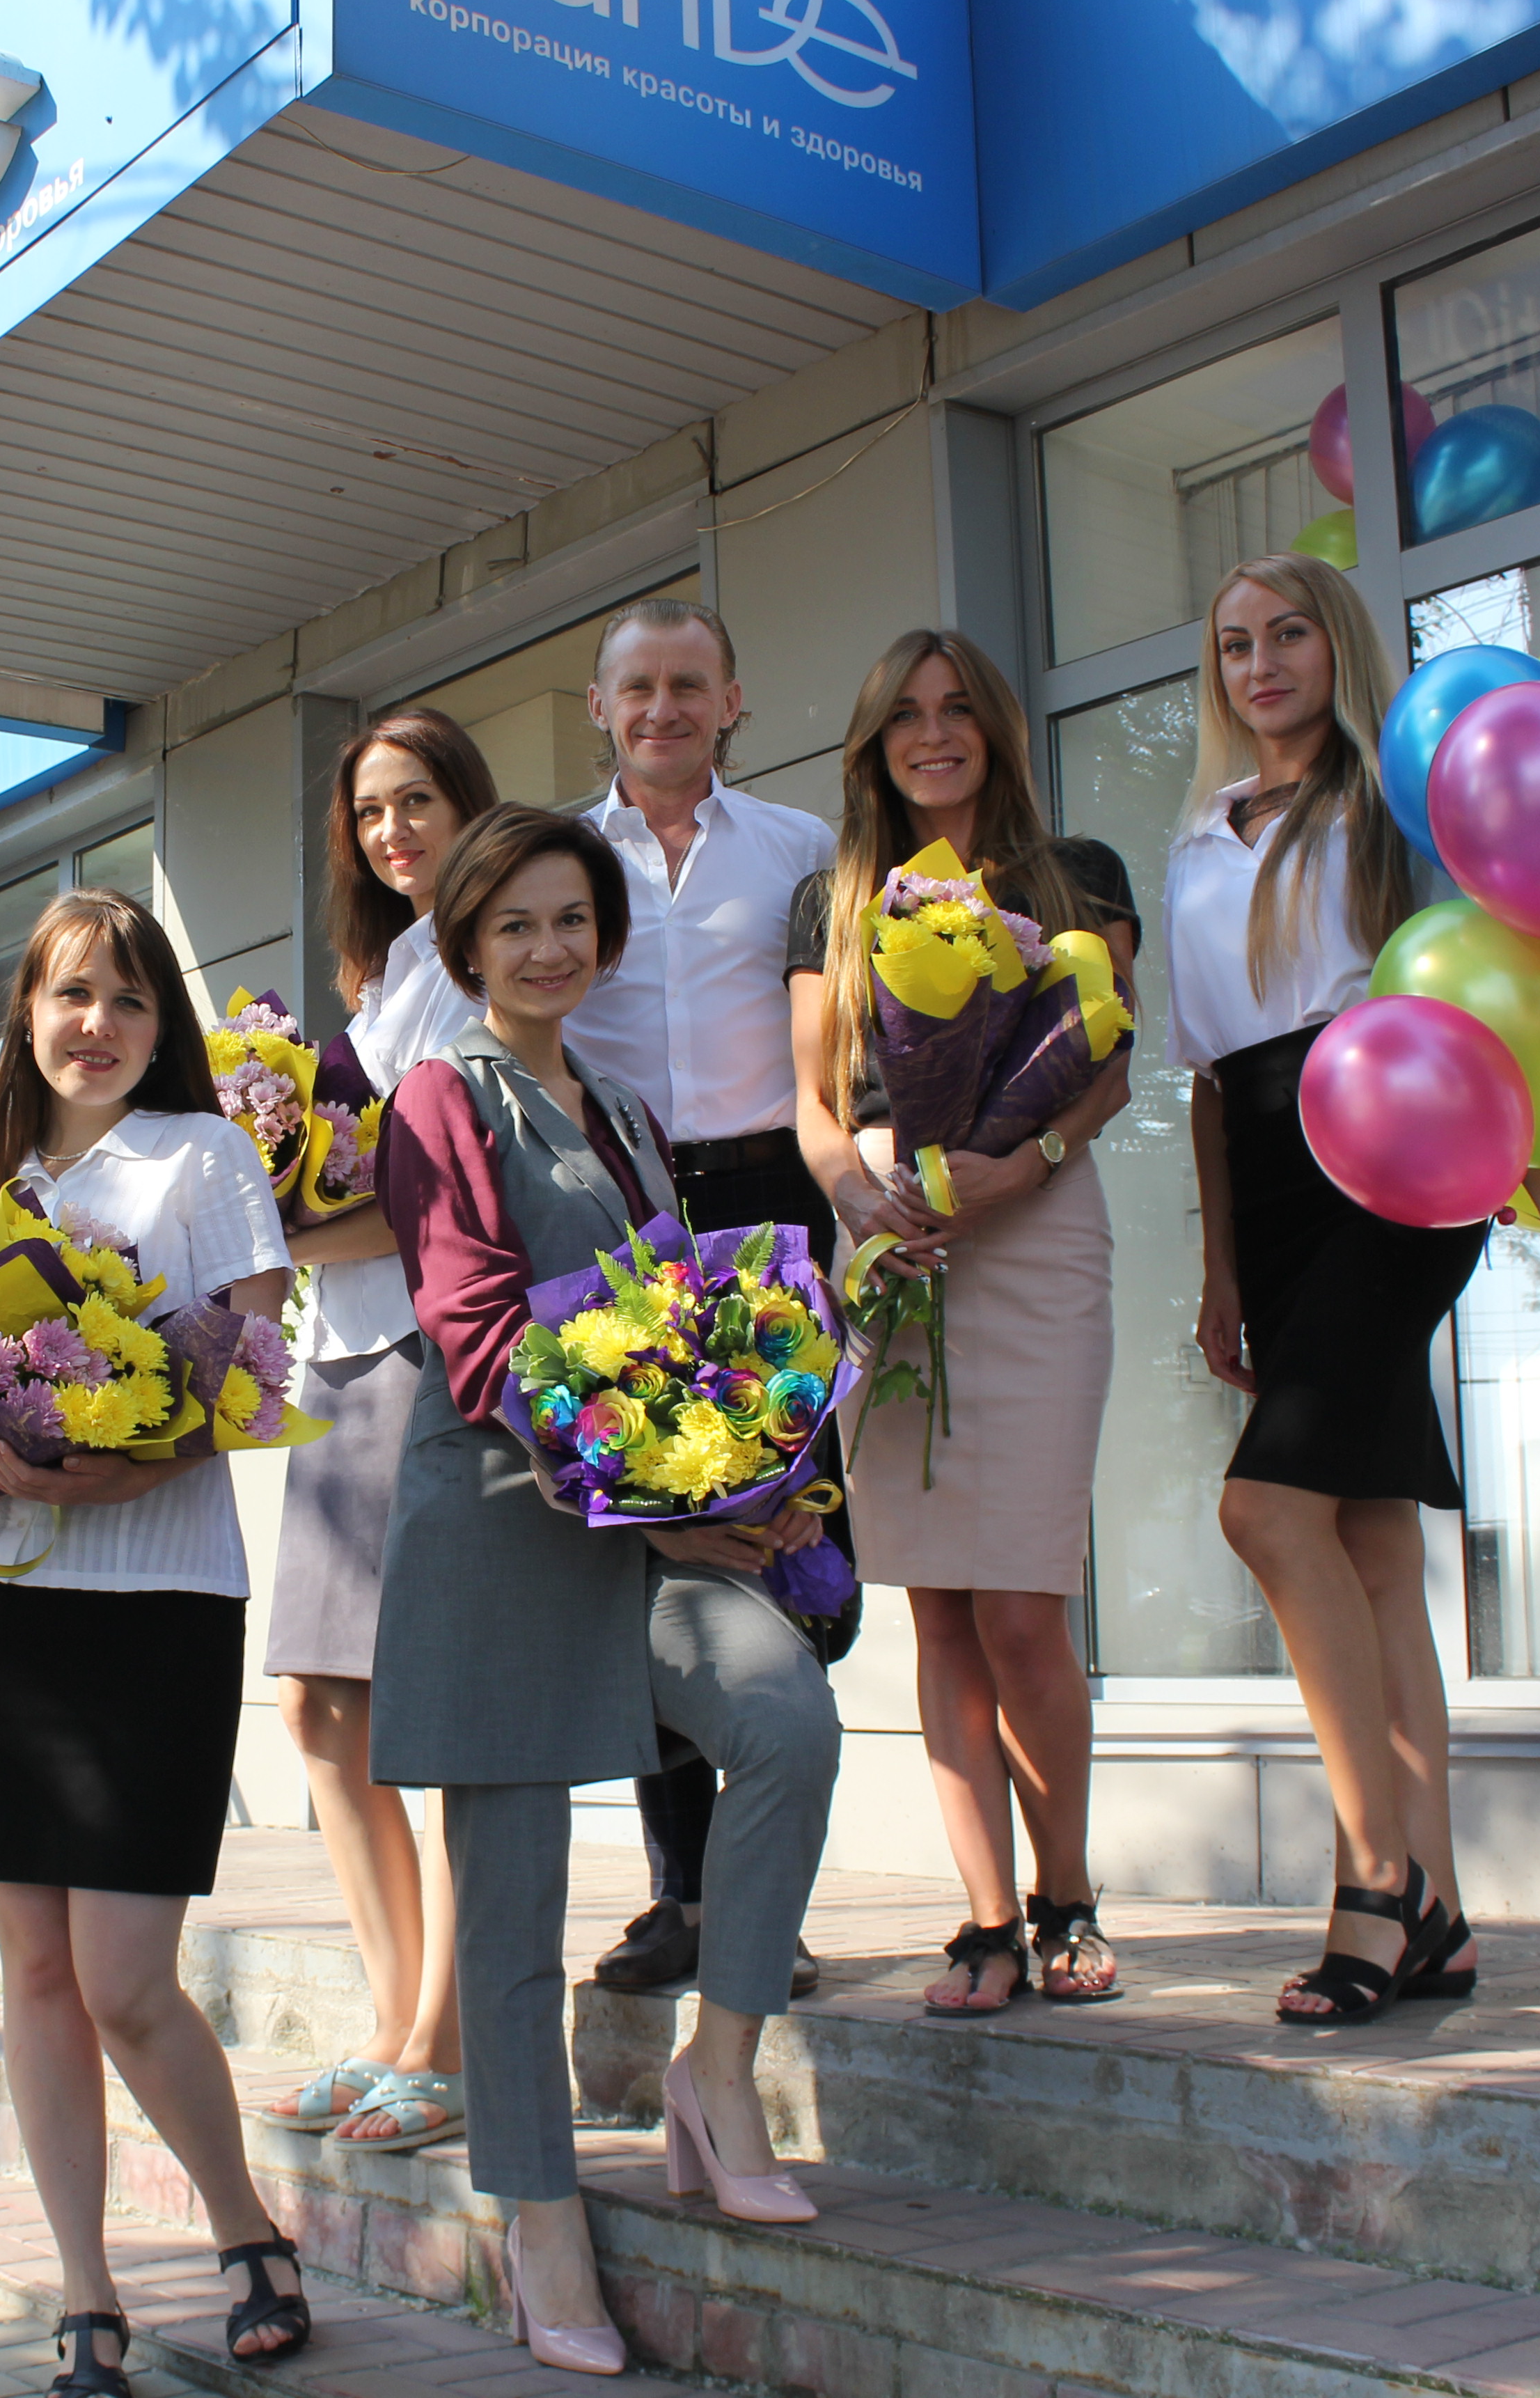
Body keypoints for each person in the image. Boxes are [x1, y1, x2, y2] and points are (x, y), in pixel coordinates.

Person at [374, 804, 842, 2372]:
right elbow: (476, 1335)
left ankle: (718, 2069)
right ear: (466, 945)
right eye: (512, 924)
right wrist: (648, 1491)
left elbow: (674, 1322)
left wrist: (741, 1466)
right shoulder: (438, 1098)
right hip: (504, 1526)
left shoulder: (630, 1112)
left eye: (569, 920)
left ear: (605, 937)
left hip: (638, 1535)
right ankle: (539, 2217)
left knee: (783, 1718)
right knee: (512, 1905)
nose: (545, 948)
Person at [1168, 555, 1540, 2025]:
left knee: (1264, 1511)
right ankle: (1437, 1910)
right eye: (1234, 644)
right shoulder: (1196, 837)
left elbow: (1476, 1008)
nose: (1261, 664)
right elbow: (1207, 1079)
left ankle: (1374, 1880)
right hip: (1268, 1178)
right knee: (1366, 1538)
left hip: (1394, 1164)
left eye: (1288, 634)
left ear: (1337, 648)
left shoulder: (1392, 809)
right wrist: (1219, 1270)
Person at [0, 886, 313, 2398]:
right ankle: (85, 2295)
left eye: (129, 999)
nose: (98, 1025)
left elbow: (258, 1370)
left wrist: (133, 1463)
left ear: (159, 1023)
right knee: (37, 1976)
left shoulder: (205, 1156)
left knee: (125, 1978)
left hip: (157, 1608)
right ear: (27, 1012)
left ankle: (244, 2226)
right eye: (71, 994)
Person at [787, 629, 1139, 2013]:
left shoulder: (1076, 877)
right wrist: (858, 1198)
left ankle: (1067, 1898)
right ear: (874, 745)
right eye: (904, 717)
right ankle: (985, 1917)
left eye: (955, 711)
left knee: (1024, 1602)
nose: (931, 736)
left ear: (994, 725)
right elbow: (814, 1099)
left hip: (1034, 1228)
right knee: (938, 1605)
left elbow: (1102, 1072)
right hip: (889, 1236)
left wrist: (1016, 1168)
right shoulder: (831, 901)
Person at [558, 595, 840, 2000]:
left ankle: (762, 1898)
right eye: (638, 688)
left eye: (688, 685)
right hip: (628, 1212)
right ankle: (683, 1893)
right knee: (656, 1547)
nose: (662, 708)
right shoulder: (562, 861)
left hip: (774, 1201)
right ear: (599, 708)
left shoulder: (801, 851)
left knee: (789, 1547)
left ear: (731, 701)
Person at [256, 709, 494, 2154]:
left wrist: (269, 1223)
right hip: (338, 1350)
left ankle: (445, 2046)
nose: (393, 831)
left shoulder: (481, 970)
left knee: (440, 1714)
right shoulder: (389, 972)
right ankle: (389, 2019)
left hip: (434, 1351)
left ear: (467, 806)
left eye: (417, 801)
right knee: (317, 1707)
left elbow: (435, 1194)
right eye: (369, 812)